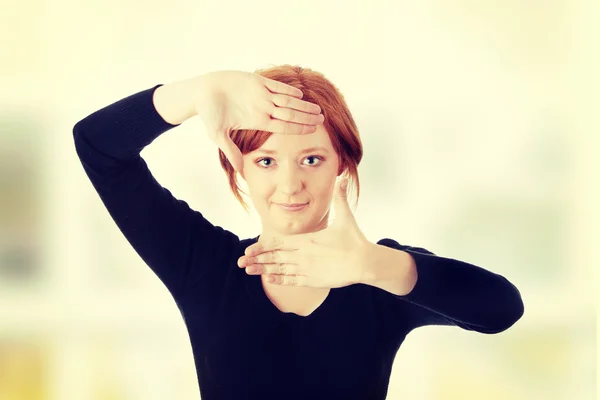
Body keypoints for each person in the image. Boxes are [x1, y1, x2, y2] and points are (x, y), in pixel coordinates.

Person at [73, 65, 524, 399]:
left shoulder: (376, 276)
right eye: (266, 161)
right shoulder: (204, 266)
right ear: (238, 166)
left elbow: (502, 308)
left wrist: (374, 265)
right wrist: (199, 92)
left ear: (342, 164)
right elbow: (97, 145)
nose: (289, 186)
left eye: (311, 159)